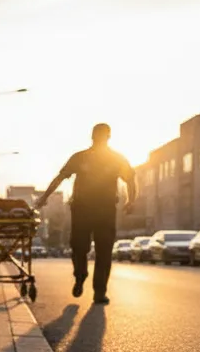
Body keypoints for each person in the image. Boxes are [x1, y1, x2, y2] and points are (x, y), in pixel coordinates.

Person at [35, 123, 137, 304]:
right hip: (83, 209)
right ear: (93, 137)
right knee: (80, 247)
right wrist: (44, 197)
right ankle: (81, 276)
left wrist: (131, 200)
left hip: (104, 210)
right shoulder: (81, 157)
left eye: (102, 135)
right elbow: (60, 177)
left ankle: (99, 291)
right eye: (98, 135)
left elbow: (130, 178)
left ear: (107, 137)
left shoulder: (116, 158)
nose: (100, 138)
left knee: (103, 250)